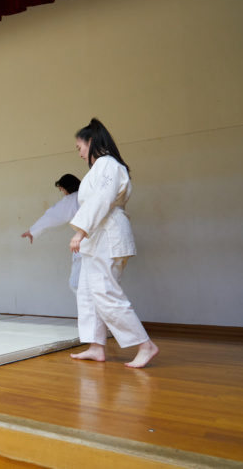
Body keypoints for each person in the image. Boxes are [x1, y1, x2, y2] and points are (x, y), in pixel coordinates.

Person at [68, 118, 159, 368]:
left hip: (107, 234)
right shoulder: (100, 168)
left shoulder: (107, 164)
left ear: (90, 141)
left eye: (79, 147)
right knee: (87, 291)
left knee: (105, 292)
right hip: (98, 236)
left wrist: (80, 231)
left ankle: (145, 344)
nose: (79, 154)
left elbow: (101, 199)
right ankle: (96, 346)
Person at [21, 174, 82, 293]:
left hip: (87, 244)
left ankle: (90, 312)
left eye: (61, 190)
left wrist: (32, 231)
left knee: (77, 283)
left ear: (67, 188)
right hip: (104, 244)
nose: (63, 193)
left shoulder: (73, 199)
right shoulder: (88, 195)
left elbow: (53, 216)